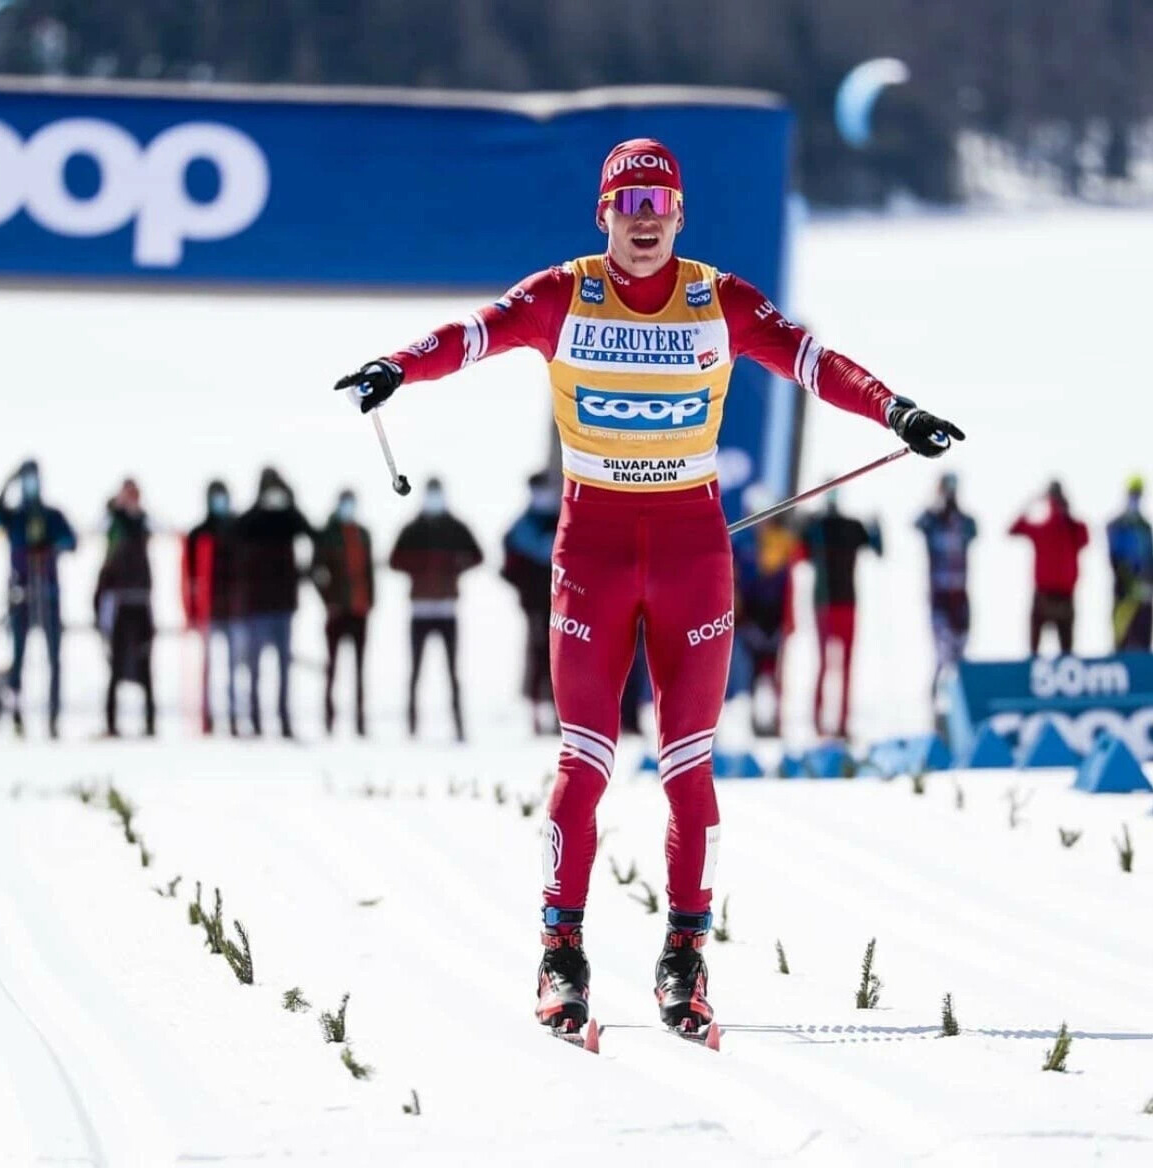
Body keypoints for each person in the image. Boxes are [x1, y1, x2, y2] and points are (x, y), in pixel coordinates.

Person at [333, 137, 962, 1035]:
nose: (643, 223)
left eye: (657, 206)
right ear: (604, 216)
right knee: (584, 761)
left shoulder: (719, 300)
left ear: (679, 215)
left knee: (687, 766)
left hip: (691, 552)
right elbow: (477, 334)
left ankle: (685, 958)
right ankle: (561, 954)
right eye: (627, 207)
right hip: (590, 548)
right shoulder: (564, 293)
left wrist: (898, 410)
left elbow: (816, 362)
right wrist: (397, 365)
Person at [388, 477, 483, 742]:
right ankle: (411, 726)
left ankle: (459, 726)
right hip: (419, 609)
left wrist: (454, 566)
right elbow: (394, 560)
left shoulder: (455, 527)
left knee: (452, 673)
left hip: (447, 609)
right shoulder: (413, 528)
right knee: (415, 672)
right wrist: (421, 567)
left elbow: (477, 555)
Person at [0, 459, 76, 737]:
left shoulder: (52, 515)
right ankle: (16, 717)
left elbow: (71, 541)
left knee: (53, 659)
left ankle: (53, 718)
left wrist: (50, 547)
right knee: (19, 660)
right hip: (21, 597)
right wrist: (6, 484)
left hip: (48, 596)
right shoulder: (14, 516)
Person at [235, 467, 315, 738]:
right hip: (257, 608)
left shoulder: (288, 519)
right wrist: (260, 506)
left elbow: (310, 531)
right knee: (255, 669)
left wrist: (290, 503)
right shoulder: (252, 521)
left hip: (283, 607)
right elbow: (236, 530)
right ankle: (255, 720)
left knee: (283, 668)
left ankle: (284, 720)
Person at [800, 489, 882, 740]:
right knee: (827, 663)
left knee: (844, 664)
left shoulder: (849, 526)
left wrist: (877, 529)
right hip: (825, 602)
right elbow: (800, 553)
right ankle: (819, 723)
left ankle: (841, 723)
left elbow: (877, 549)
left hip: (844, 601)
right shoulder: (817, 526)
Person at [733, 487, 801, 737]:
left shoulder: (783, 540)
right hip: (751, 616)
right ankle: (752, 719)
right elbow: (734, 579)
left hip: (774, 615)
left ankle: (774, 719)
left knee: (772, 671)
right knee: (750, 671)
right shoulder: (741, 542)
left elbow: (790, 581)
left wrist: (789, 617)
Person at [182, 480, 245, 735]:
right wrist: (192, 611)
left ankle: (232, 718)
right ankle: (206, 718)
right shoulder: (199, 533)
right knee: (207, 668)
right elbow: (189, 577)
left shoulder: (238, 531)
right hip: (209, 611)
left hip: (233, 609)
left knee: (233, 668)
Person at [311, 488, 375, 735]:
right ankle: (329, 718)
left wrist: (370, 602)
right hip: (336, 612)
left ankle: (360, 720)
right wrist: (329, 601)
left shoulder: (363, 535)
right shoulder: (327, 535)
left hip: (359, 611)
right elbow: (316, 572)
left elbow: (368, 572)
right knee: (332, 667)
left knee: (360, 670)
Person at [95, 479, 155, 737]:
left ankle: (151, 723)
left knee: (145, 663)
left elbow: (162, 523)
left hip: (141, 601)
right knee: (115, 666)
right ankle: (110, 724)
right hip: (119, 602)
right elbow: (99, 527)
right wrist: (116, 509)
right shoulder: (113, 524)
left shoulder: (145, 522)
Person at [502, 471, 561, 734]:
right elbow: (508, 568)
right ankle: (538, 715)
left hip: (568, 602)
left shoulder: (563, 519)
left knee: (564, 660)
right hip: (536, 604)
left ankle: (562, 717)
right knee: (539, 658)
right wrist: (525, 592)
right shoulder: (521, 527)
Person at [914, 472, 977, 701]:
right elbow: (917, 522)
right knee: (942, 655)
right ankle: (935, 706)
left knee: (960, 656)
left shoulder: (964, 521)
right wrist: (935, 501)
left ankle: (960, 705)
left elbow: (974, 530)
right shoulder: (932, 520)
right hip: (938, 595)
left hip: (960, 595)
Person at [1009, 481, 1090, 655]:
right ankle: (1031, 670)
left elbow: (1085, 538)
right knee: (1034, 649)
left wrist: (1067, 514)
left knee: (1067, 650)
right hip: (1044, 596)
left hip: (1065, 596)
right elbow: (1013, 529)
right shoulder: (1042, 529)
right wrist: (1032, 502)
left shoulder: (1072, 529)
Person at [1105, 476, 1153, 651]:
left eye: (1138, 494)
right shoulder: (1116, 525)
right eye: (1133, 493)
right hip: (1124, 593)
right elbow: (1114, 557)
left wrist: (1147, 583)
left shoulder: (1145, 527)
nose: (1136, 498)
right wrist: (1128, 581)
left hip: (1145, 594)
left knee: (1143, 640)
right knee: (1121, 640)